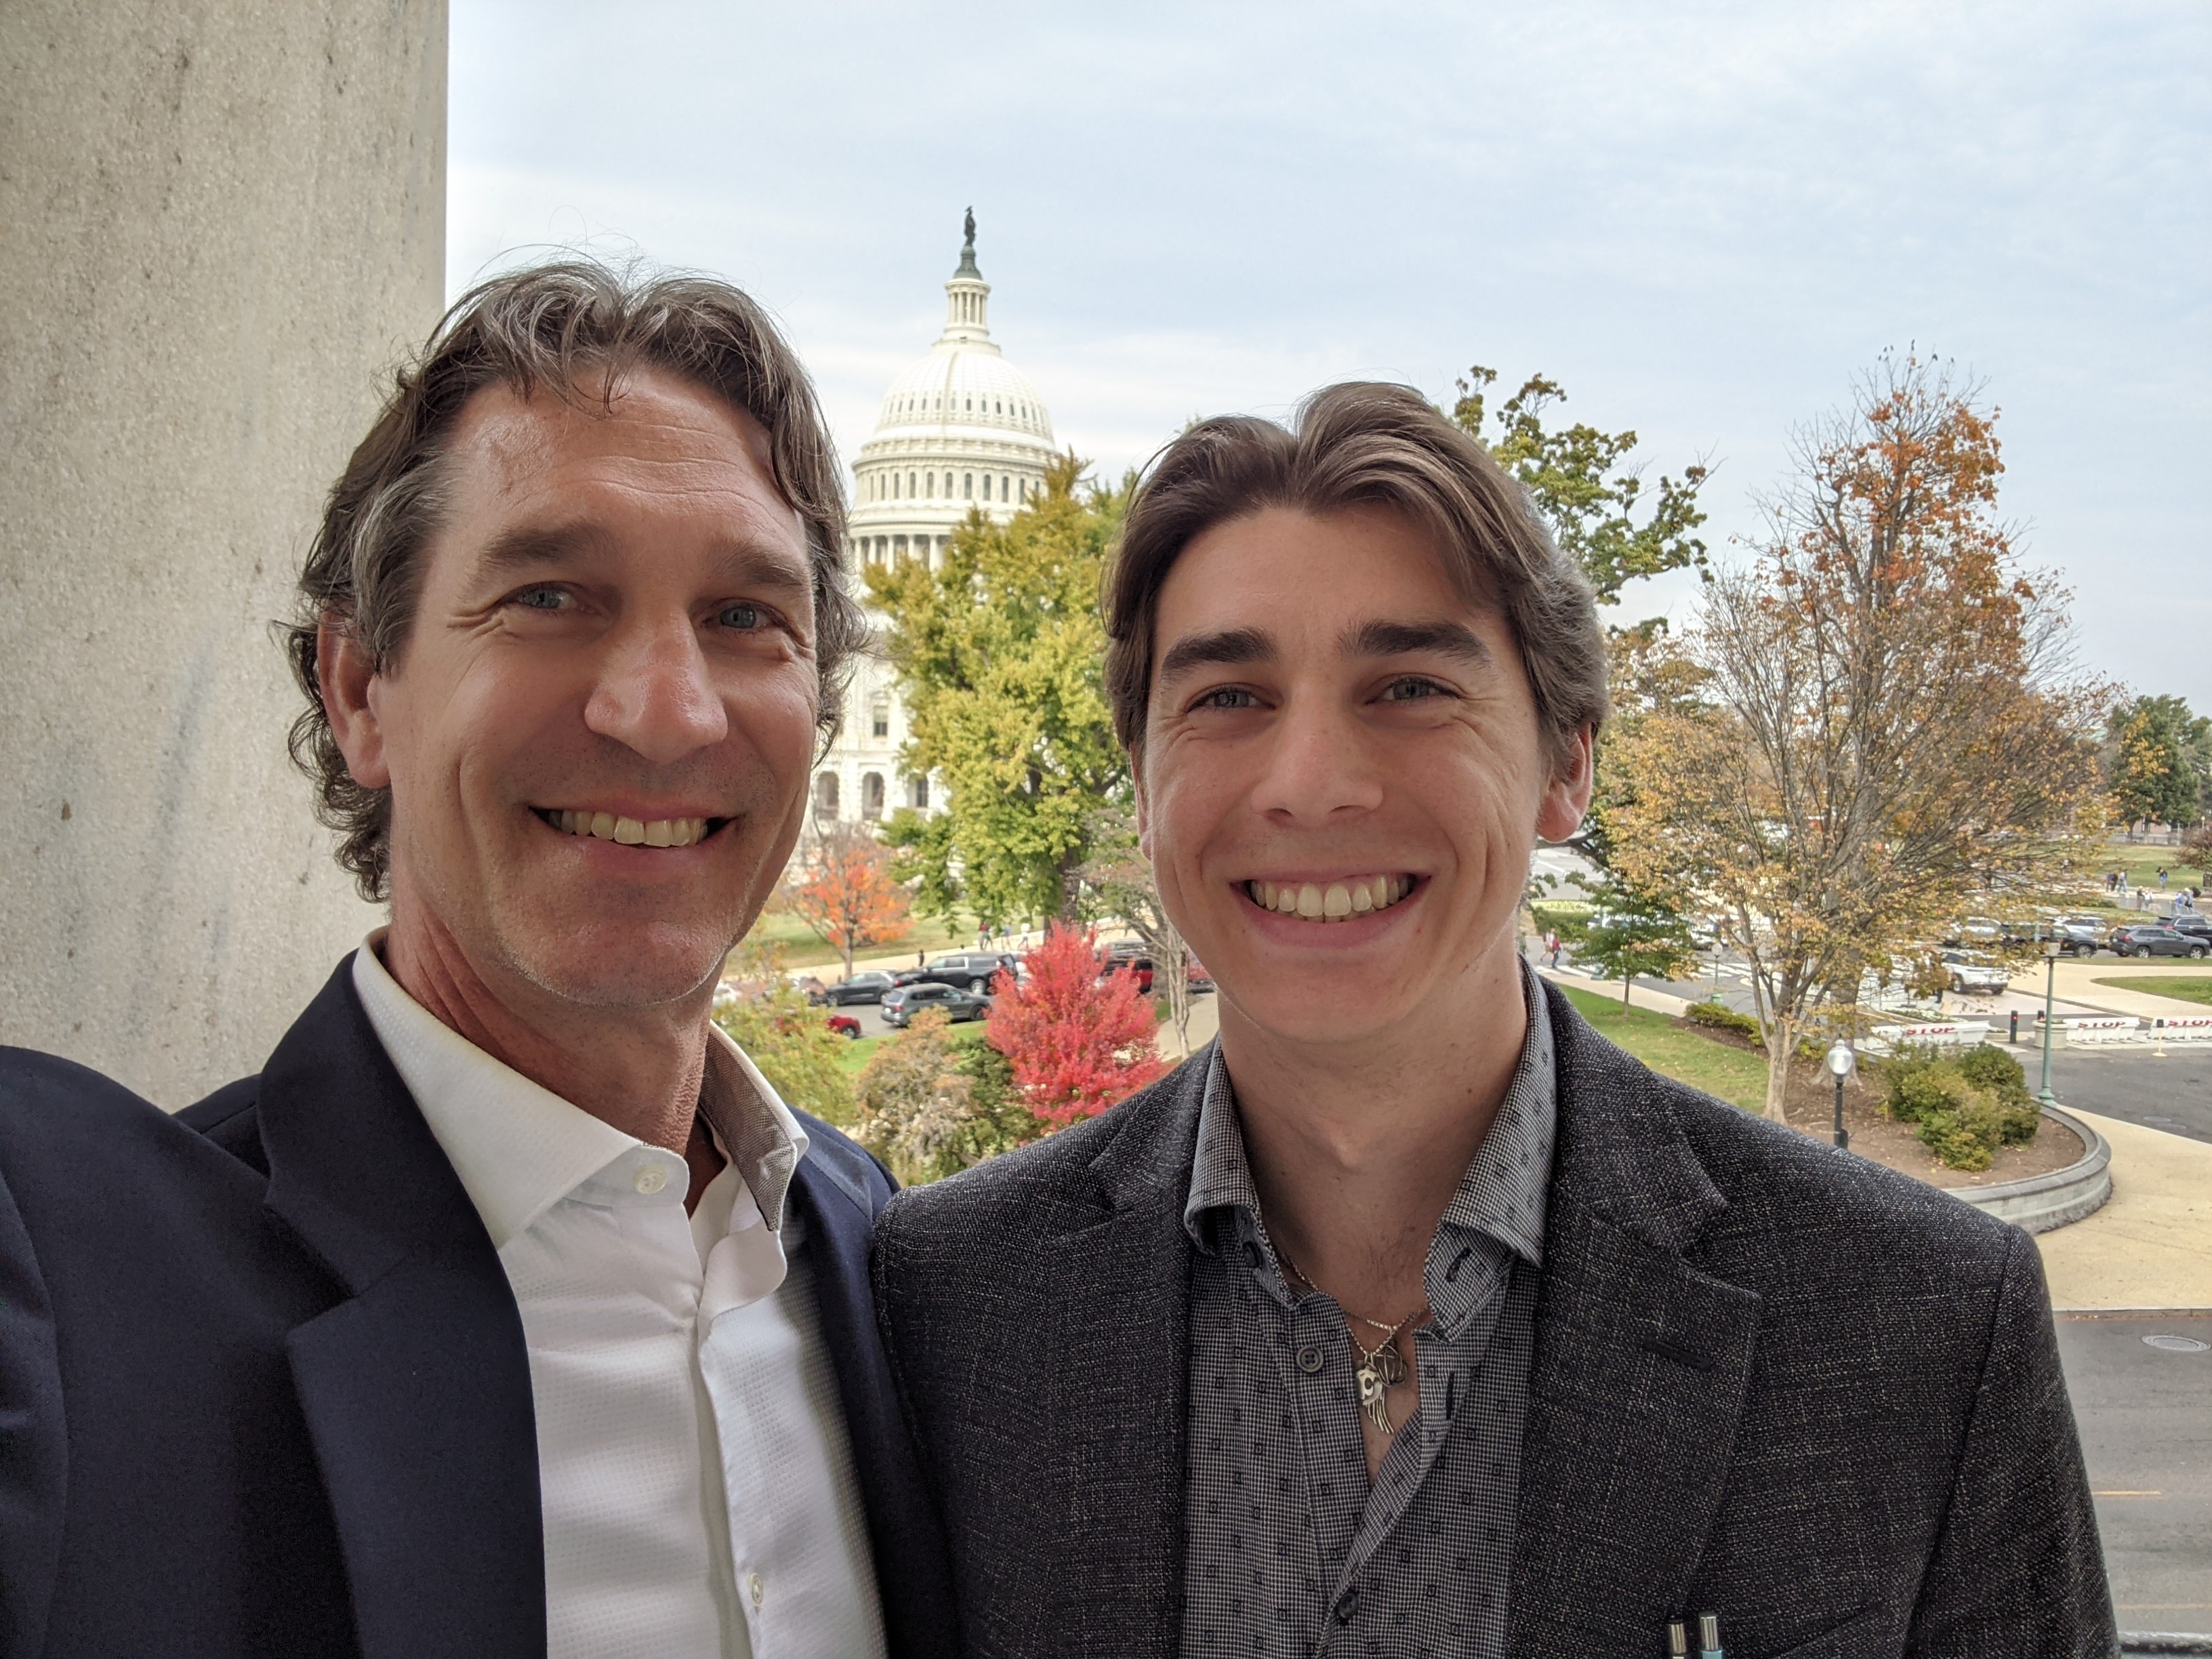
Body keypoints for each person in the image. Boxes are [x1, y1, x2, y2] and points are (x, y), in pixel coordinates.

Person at [871, 384, 2112, 1656]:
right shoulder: (956, 1306)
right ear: (1143, 783)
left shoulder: (1920, 1320)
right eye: (1230, 698)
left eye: (1408, 687)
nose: (1310, 785)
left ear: (1566, 762)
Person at [0, 262, 955, 1659]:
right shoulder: (72, 1295)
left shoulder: (904, 1269)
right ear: (358, 691)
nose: (664, 714)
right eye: (553, 596)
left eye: (747, 617)